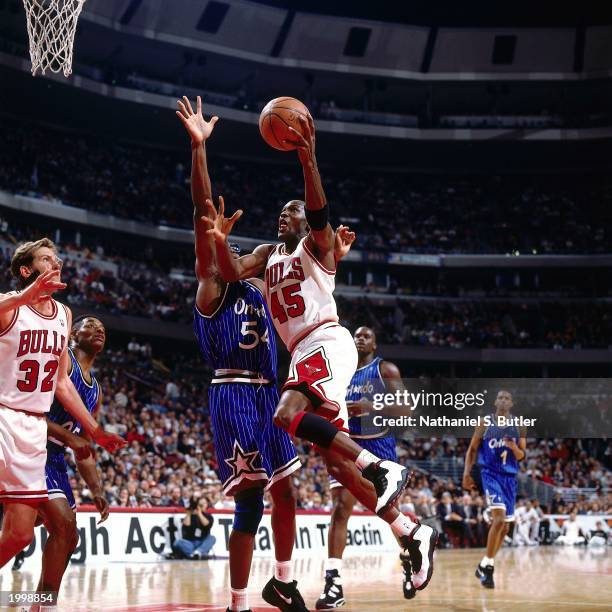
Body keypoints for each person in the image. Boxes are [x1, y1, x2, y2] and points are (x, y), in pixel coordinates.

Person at [206, 113, 437, 593]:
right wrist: (222, 242)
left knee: (286, 415)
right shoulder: (268, 255)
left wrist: (308, 159)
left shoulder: (318, 246)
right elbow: (228, 272)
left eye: (289, 212)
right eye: (282, 214)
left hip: (325, 340)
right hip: (304, 351)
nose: (283, 217)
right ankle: (411, 531)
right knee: (339, 468)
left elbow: (317, 211)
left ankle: (383, 465)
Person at [177, 96, 308, 612]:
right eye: (221, 245)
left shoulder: (258, 285)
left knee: (288, 492)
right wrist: (199, 149)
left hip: (270, 393)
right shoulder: (212, 284)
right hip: (232, 391)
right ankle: (237, 602)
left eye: (233, 247)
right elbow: (201, 207)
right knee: (251, 499)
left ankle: (282, 580)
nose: (228, 249)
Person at [0, 239, 125, 571]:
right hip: (2, 414)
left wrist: (94, 430)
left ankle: (38, 606)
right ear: (27, 270)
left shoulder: (64, 315)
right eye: (45, 258)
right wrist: (25, 296)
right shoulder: (9, 306)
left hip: (33, 429)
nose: (55, 262)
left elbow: (60, 382)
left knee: (20, 535)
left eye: (56, 258)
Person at [316, 326, 418, 609]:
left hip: (379, 449)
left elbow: (406, 409)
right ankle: (333, 582)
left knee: (388, 514)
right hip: (347, 447)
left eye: (366, 336)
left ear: (374, 343)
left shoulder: (385, 370)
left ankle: (409, 559)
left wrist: (369, 406)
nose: (359, 339)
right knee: (339, 511)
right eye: (356, 336)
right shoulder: (340, 370)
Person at [10, 315, 111, 597]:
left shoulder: (96, 390)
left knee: (70, 537)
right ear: (73, 334)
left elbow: (84, 448)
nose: (99, 330)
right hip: (28, 444)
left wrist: (97, 490)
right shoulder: (61, 358)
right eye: (91, 326)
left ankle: (39, 603)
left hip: (53, 458)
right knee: (62, 526)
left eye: (102, 328)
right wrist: (71, 438)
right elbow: (30, 412)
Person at [463, 389, 526, 589]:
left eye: (507, 398)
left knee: (505, 527)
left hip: (509, 478)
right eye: (500, 397)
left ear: (512, 403)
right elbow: (472, 449)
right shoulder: (484, 423)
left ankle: (483, 563)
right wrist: (466, 474)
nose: (503, 400)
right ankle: (489, 568)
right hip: (490, 475)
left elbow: (522, 456)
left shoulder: (520, 425)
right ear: (495, 401)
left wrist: (513, 447)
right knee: (498, 519)